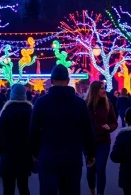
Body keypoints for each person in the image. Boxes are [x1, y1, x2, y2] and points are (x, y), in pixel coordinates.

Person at [30, 64, 95, 195]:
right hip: (72, 157)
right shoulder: (79, 103)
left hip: (48, 156)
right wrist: (90, 153)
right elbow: (88, 130)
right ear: (67, 80)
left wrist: (34, 153)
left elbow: (33, 130)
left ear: (51, 81)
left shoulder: (41, 102)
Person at [0, 84, 33, 195]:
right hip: (25, 155)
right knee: (24, 187)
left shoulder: (6, 111)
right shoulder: (30, 111)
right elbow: (34, 133)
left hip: (8, 155)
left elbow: (0, 134)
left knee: (8, 188)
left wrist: (0, 152)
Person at [85, 81, 118, 195]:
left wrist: (110, 127)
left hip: (104, 142)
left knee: (100, 168)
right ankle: (92, 190)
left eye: (104, 88)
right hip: (89, 144)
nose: (104, 90)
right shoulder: (85, 105)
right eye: (102, 88)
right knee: (90, 170)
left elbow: (114, 122)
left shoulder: (108, 104)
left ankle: (100, 193)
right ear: (95, 90)